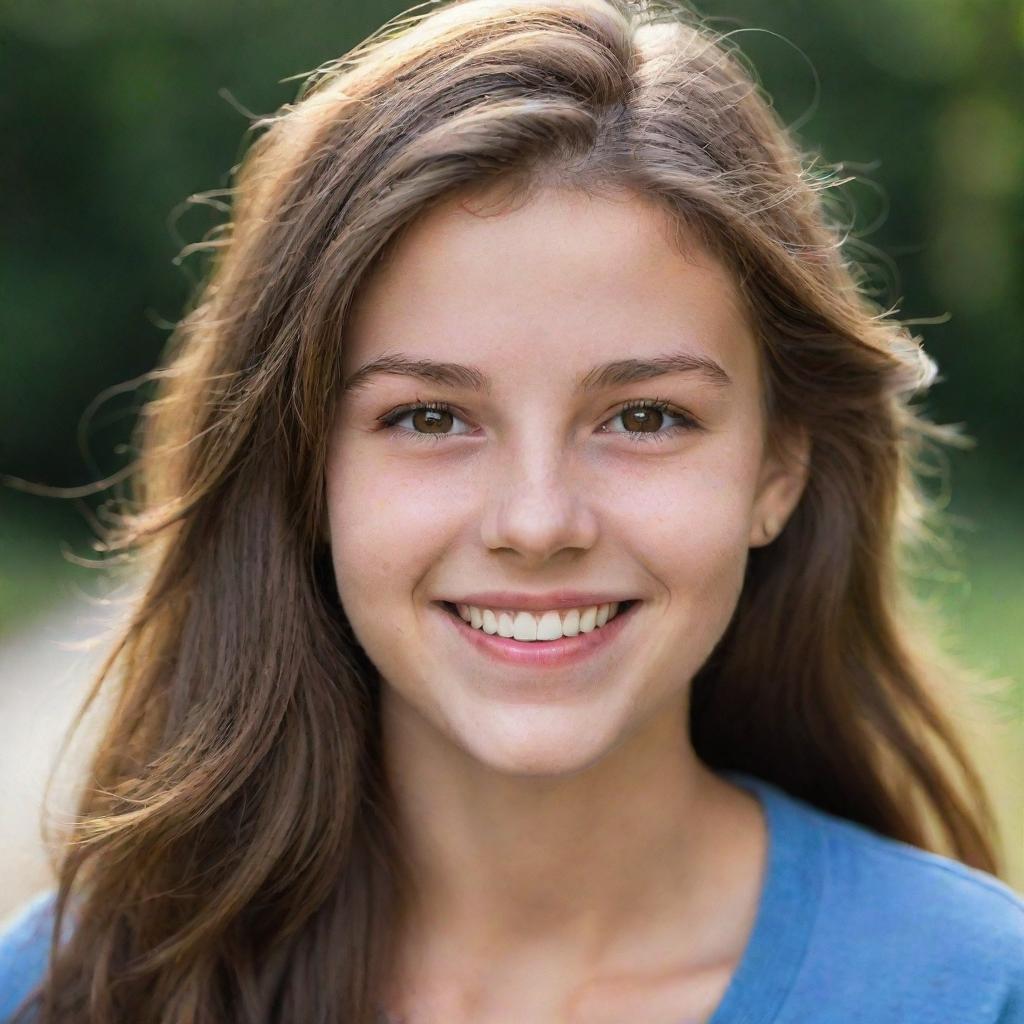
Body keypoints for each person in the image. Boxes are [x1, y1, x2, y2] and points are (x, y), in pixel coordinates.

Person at [1, 0, 1022, 1021]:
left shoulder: (971, 988)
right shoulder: (76, 991)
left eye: (647, 415)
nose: (537, 524)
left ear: (777, 467)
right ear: (303, 468)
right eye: (431, 415)